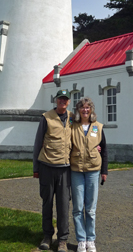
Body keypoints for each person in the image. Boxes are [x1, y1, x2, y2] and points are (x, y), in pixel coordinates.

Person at [33, 89, 74, 252]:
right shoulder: (46, 117)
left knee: (64, 206)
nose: (62, 101)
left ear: (68, 101)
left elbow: (80, 137)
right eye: (59, 99)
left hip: (65, 169)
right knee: (47, 203)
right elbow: (38, 143)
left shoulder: (73, 118)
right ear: (55, 100)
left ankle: (62, 240)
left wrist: (96, 146)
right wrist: (36, 167)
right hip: (47, 167)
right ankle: (48, 236)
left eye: (65, 99)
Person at [70, 97, 108, 252]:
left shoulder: (98, 127)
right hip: (76, 170)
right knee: (78, 208)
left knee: (91, 208)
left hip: (93, 170)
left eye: (88, 107)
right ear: (78, 110)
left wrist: (104, 171)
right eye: (82, 107)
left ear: (91, 110)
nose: (85, 110)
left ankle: (90, 240)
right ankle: (81, 240)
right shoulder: (73, 126)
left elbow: (104, 149)